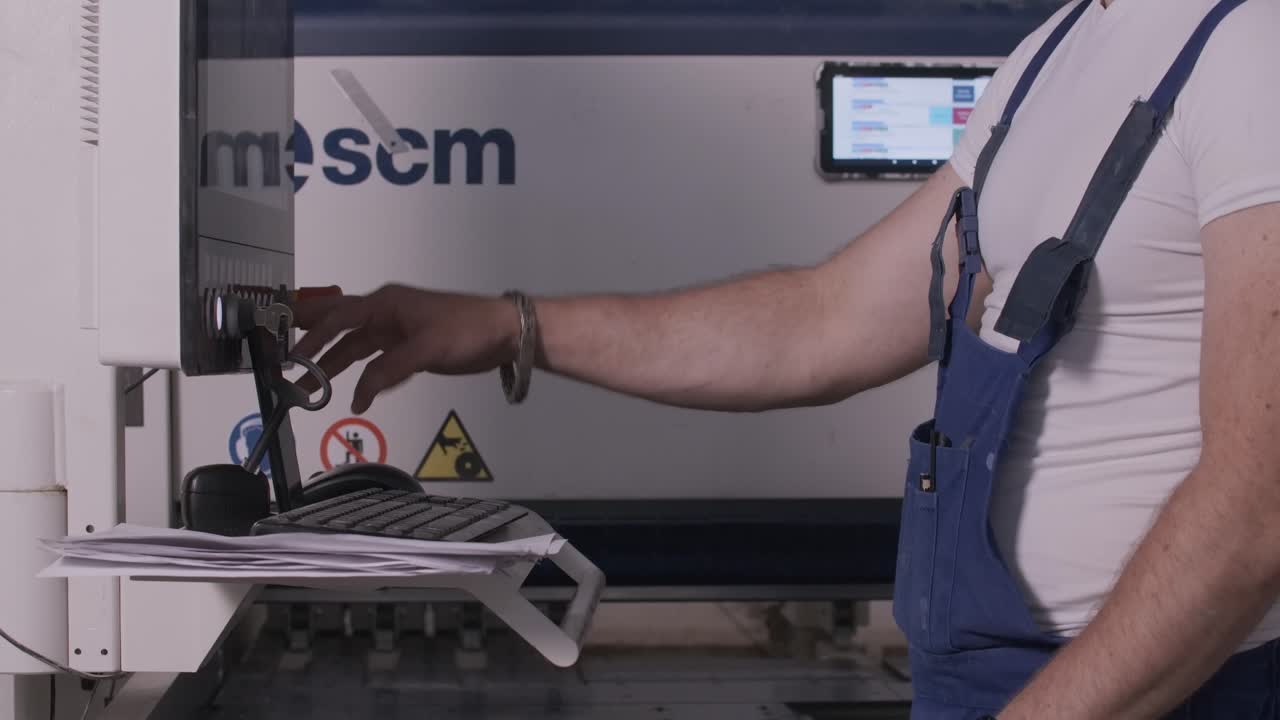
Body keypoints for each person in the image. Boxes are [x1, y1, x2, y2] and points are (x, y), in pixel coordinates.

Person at [291, 0, 1280, 716]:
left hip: (1156, 687)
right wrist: (507, 324)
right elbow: (823, 317)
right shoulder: (1054, 48)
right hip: (988, 678)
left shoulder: (1250, 47)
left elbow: (1255, 506)